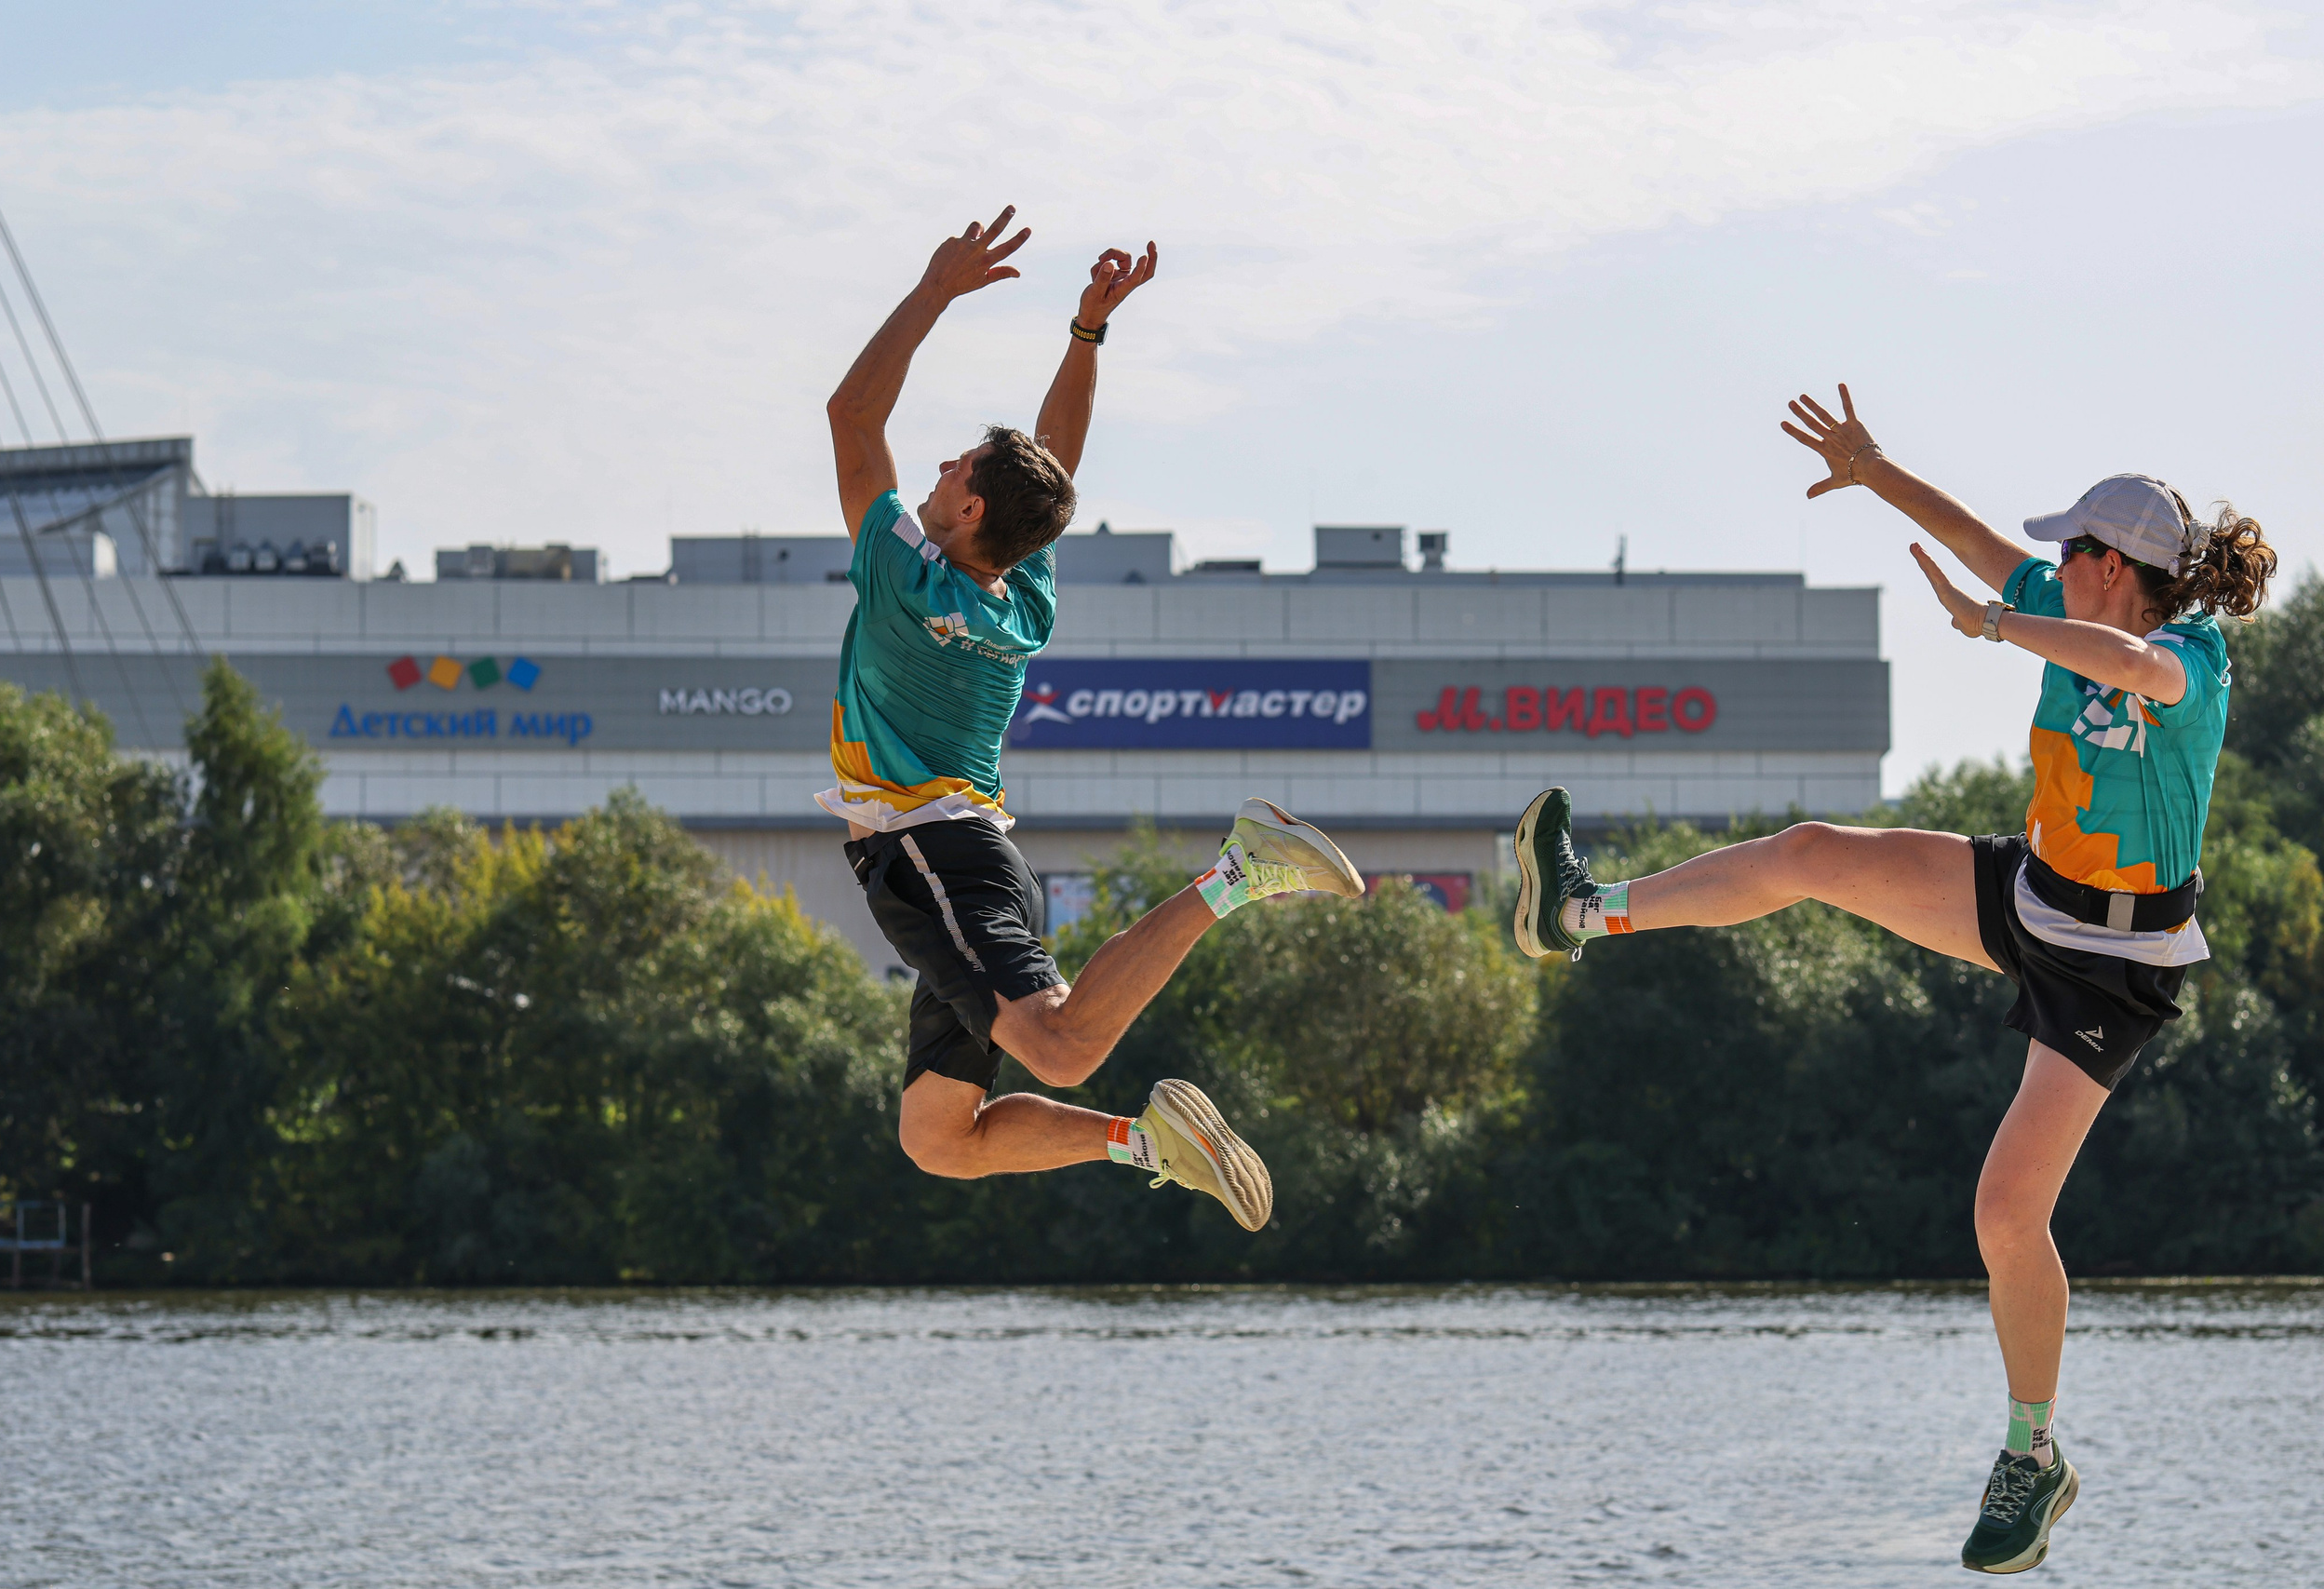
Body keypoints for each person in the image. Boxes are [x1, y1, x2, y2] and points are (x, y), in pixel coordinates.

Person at [1510, 384, 2275, 1575]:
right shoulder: (2054, 605)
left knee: (2004, 1213)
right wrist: (1876, 471)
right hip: (2032, 898)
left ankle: (2032, 1457)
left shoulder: (2189, 660)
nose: (2043, 566)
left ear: (2108, 566)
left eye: (2064, 551)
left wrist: (1994, 627)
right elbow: (1979, 548)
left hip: (2113, 970)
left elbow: (2130, 665)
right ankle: (1575, 915)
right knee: (1812, 854)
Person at [821, 207, 1364, 1232]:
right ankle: (1143, 1141)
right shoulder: (1019, 598)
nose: (935, 469)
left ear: (972, 511)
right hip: (973, 858)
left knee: (1061, 1046)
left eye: (953, 470)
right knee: (939, 1137)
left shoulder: (903, 573)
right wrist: (1084, 337)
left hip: (929, 854)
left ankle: (1240, 871)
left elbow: (854, 414)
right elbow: (1053, 466)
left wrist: (934, 289)